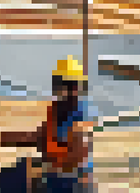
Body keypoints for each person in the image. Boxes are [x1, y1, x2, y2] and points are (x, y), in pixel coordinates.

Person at [36, 55, 96, 193]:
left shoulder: (83, 113)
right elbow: (44, 138)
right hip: (55, 176)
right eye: (66, 86)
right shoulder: (55, 110)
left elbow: (79, 154)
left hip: (76, 178)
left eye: (74, 86)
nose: (71, 92)